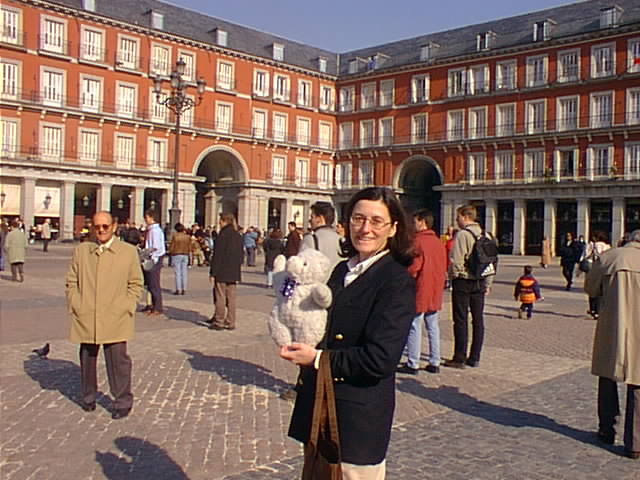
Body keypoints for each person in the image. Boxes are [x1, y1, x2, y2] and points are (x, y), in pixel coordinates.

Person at [281, 187, 416, 478]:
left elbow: (380, 359)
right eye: (358, 219)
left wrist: (317, 358)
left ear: (393, 228)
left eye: (376, 221)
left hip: (356, 418)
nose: (365, 229)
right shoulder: (342, 269)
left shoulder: (396, 280)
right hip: (320, 409)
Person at [65, 211, 144, 419]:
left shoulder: (127, 252)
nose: (100, 230)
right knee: (87, 357)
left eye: (105, 226)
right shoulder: (82, 251)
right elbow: (72, 280)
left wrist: (127, 305)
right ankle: (88, 396)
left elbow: (136, 283)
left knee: (118, 360)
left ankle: (122, 400)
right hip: (87, 313)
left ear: (114, 226)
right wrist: (76, 302)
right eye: (97, 227)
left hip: (116, 314)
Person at [584, 229, 640, 460]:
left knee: (607, 376)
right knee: (638, 381)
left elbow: (590, 288)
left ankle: (606, 428)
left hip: (613, 324)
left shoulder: (609, 258)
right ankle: (635, 442)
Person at [398, 209, 447, 375]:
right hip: (435, 287)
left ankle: (413, 362)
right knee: (433, 325)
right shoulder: (438, 242)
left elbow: (414, 267)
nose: (414, 224)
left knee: (414, 324)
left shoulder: (418, 242)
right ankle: (435, 360)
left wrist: (404, 275)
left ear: (422, 222)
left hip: (420, 287)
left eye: (415, 221)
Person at [444, 204, 493, 369]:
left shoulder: (463, 235)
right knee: (478, 320)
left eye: (458, 217)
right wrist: (488, 284)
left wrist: (452, 277)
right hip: (480, 281)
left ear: (465, 216)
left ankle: (459, 357)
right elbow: (490, 262)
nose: (457, 220)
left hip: (464, 281)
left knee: (460, 318)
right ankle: (475, 357)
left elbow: (456, 261)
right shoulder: (486, 234)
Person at [208, 213, 244, 330]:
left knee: (220, 296)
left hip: (222, 271)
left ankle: (219, 321)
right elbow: (241, 256)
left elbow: (217, 256)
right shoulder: (238, 236)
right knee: (232, 298)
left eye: (220, 220)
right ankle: (231, 321)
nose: (219, 223)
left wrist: (213, 272)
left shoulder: (222, 235)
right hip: (234, 272)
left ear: (224, 221)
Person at [300, 201, 343, 269]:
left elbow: (300, 268)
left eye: (312, 217)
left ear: (320, 218)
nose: (310, 220)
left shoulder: (311, 239)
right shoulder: (341, 240)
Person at [142, 209, 165, 316]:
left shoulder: (155, 231)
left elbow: (156, 247)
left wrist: (152, 258)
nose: (145, 220)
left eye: (146, 217)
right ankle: (152, 305)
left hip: (154, 258)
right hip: (150, 257)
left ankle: (158, 307)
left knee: (154, 283)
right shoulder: (151, 230)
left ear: (151, 218)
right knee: (150, 283)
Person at [584, 231, 611, 320]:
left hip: (595, 268)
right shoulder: (608, 246)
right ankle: (598, 310)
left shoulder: (595, 245)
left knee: (592, 289)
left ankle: (593, 309)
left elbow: (590, 255)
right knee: (601, 290)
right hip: (605, 269)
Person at [168, 223, 191, 295]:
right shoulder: (187, 237)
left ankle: (178, 289)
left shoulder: (175, 236)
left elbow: (172, 246)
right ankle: (184, 288)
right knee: (184, 272)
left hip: (177, 254)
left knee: (177, 272)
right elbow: (190, 246)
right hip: (185, 254)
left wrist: (170, 252)